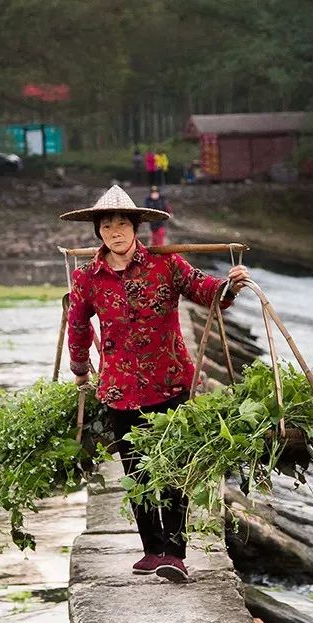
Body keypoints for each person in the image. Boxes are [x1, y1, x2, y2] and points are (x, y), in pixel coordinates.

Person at [61, 185, 249, 582]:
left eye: (122, 224)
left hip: (171, 383)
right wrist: (80, 367)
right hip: (119, 390)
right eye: (108, 225)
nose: (115, 232)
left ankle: (175, 554)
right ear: (99, 233)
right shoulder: (88, 279)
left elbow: (207, 291)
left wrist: (231, 285)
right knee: (138, 473)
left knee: (176, 467)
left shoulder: (167, 266)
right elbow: (77, 324)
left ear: (136, 228)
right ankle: (151, 551)